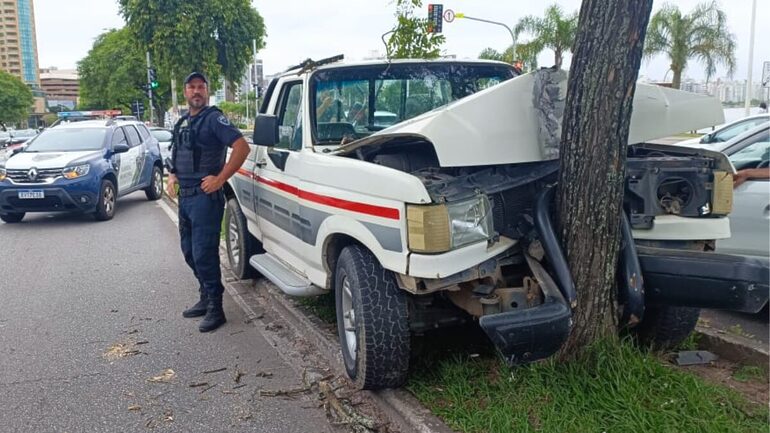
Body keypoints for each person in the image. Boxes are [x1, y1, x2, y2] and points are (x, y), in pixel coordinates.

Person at [166, 72, 250, 332]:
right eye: (191, 87)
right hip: (186, 197)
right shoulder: (181, 122)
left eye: (200, 87)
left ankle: (216, 308)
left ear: (207, 91)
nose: (196, 91)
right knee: (190, 252)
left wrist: (220, 178)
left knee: (204, 254)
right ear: (185, 92)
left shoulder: (215, 119)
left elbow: (241, 148)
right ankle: (205, 296)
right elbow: (176, 155)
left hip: (206, 199)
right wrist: (171, 177)